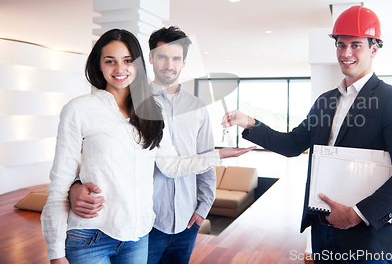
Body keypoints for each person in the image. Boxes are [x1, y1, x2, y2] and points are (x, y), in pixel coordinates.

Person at [222, 6, 392, 263]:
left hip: (365, 236)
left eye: (356, 45)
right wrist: (249, 122)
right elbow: (293, 144)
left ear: (374, 49)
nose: (346, 53)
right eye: (341, 45)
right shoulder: (326, 101)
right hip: (322, 229)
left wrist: (357, 214)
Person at [41, 29, 253, 264]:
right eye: (110, 61)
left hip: (138, 235)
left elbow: (171, 165)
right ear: (98, 65)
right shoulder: (80, 109)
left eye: (128, 61)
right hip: (92, 235)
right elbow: (61, 181)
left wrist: (218, 156)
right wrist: (56, 252)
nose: (120, 69)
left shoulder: (152, 111)